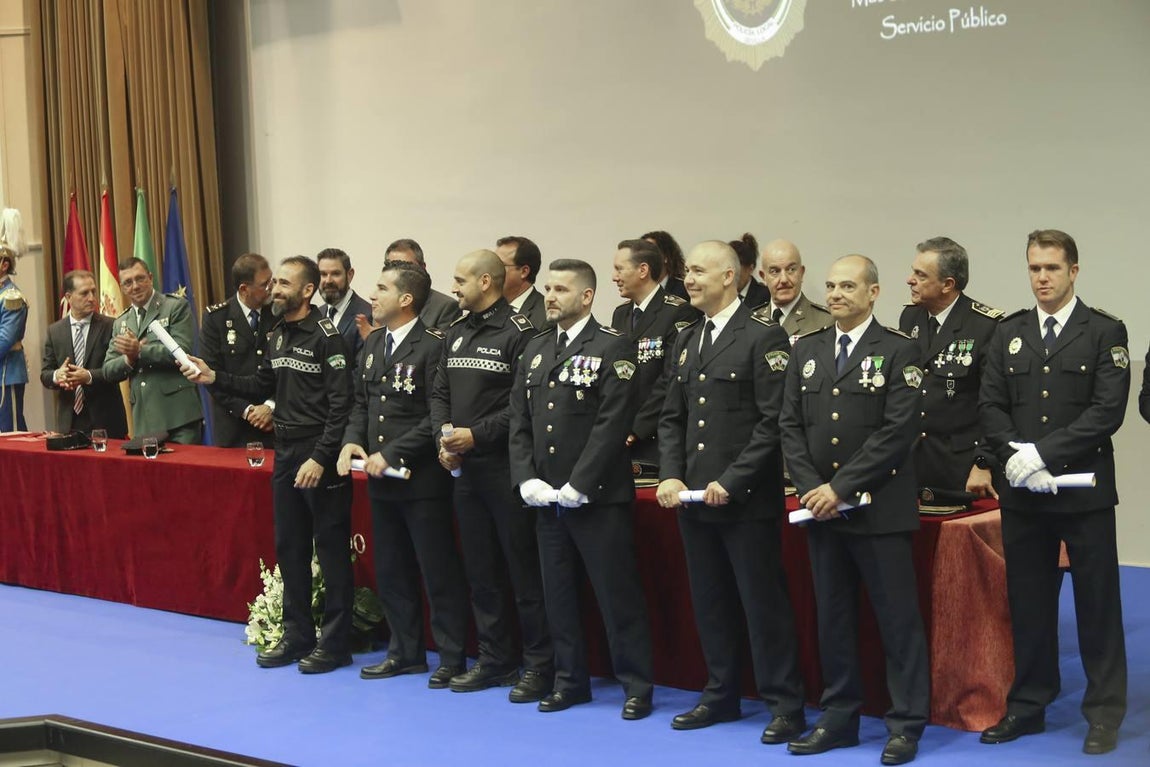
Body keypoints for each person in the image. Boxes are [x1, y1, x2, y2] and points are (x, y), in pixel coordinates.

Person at [978, 229, 1130, 756]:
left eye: (1051, 269)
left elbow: (1106, 412)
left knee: (1097, 606)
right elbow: (991, 405)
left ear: (1074, 271)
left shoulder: (1104, 330)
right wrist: (1015, 459)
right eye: (1034, 269)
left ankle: (1104, 711)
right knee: (1030, 605)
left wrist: (1043, 454)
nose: (1041, 278)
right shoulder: (1009, 332)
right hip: (1024, 495)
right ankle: (1028, 705)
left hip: (1083, 494)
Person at [779, 254, 928, 766]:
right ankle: (839, 717)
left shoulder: (900, 351)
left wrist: (839, 487)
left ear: (874, 293)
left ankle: (906, 722)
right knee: (833, 618)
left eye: (849, 285)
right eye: (831, 285)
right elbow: (789, 425)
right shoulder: (808, 349)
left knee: (896, 622)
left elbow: (897, 432)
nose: (837, 293)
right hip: (821, 511)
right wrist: (810, 486)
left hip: (878, 511)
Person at [656, 241, 805, 744]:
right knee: (711, 601)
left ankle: (785, 702)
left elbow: (773, 423)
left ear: (728, 277)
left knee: (763, 605)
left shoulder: (764, 337)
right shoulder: (686, 339)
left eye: (698, 271)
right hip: (693, 498)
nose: (689, 279)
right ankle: (720, 692)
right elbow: (672, 416)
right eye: (688, 271)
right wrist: (671, 474)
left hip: (744, 502)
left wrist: (732, 480)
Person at [184, 256, 354, 674]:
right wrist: (213, 377)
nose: (275, 289)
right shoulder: (276, 334)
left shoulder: (327, 337)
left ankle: (336, 643)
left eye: (283, 284)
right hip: (285, 451)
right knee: (290, 547)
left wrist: (321, 457)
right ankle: (298, 635)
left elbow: (342, 406)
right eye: (274, 282)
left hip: (320, 454)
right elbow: (260, 385)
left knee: (330, 551)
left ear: (308, 291)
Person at [510, 258, 655, 719]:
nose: (550, 296)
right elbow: (520, 421)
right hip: (547, 498)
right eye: (548, 288)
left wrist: (581, 482)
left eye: (560, 289)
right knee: (559, 595)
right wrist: (525, 476)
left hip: (597, 497)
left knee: (617, 595)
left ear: (587, 296)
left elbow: (613, 424)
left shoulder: (614, 347)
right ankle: (570, 681)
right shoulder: (534, 349)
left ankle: (636, 685)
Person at [429, 249, 553, 701]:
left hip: (507, 470)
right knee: (481, 573)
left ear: (486, 281)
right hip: (465, 471)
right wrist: (444, 437)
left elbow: (523, 409)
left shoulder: (521, 334)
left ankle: (539, 665)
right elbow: (438, 391)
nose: (454, 286)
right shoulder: (455, 333)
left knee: (523, 573)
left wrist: (474, 436)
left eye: (461, 279)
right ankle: (495, 658)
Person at [338, 261, 469, 689]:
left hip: (421, 480)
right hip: (380, 480)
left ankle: (451, 657)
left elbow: (436, 415)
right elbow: (362, 402)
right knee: (391, 570)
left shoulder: (434, 346)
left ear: (406, 299)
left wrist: (391, 451)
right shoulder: (373, 343)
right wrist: (352, 441)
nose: (372, 296)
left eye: (381, 289)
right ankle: (405, 652)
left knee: (437, 571)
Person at [899, 236, 1002, 498]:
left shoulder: (986, 326)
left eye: (920, 275)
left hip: (962, 466)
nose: (910, 279)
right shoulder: (910, 317)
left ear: (947, 284)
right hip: (914, 462)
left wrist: (984, 461)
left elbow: (996, 403)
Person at [610, 238, 697, 471]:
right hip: (620, 435)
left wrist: (636, 428)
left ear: (643, 270)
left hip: (657, 437)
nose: (613, 277)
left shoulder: (679, 313)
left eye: (619, 269)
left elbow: (671, 379)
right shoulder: (620, 315)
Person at [102, 257, 203, 443]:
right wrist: (129, 359)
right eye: (128, 283)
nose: (135, 286)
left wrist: (140, 352)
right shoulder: (121, 323)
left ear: (150, 278)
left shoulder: (174, 307)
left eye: (140, 279)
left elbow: (183, 351)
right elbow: (108, 370)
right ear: (123, 288)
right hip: (145, 421)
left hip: (179, 417)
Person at [200, 253, 276, 447]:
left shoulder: (279, 314)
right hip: (233, 427)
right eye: (264, 284)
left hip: (274, 424)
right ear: (244, 289)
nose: (272, 288)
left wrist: (270, 406)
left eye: (272, 281)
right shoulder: (216, 318)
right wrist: (248, 410)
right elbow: (211, 376)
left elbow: (288, 372)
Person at [39, 270, 127, 438]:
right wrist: (59, 375)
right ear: (69, 297)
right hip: (69, 423)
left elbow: (119, 371)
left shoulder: (111, 326)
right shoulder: (55, 331)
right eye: (84, 293)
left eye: (93, 291)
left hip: (106, 420)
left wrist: (87, 376)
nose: (92, 298)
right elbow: (45, 374)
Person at [753, 239, 833, 341]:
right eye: (775, 271)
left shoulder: (826, 321)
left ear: (801, 273)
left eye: (791, 269)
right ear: (763, 277)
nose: (784, 279)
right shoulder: (751, 320)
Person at [385, 239, 463, 330]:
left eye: (407, 266)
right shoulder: (382, 303)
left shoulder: (445, 307)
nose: (400, 272)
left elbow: (441, 344)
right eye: (393, 266)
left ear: (423, 268)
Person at [316, 248, 372, 364]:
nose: (328, 280)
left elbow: (361, 370)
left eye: (335, 274)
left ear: (350, 275)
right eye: (323, 274)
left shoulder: (368, 315)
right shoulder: (316, 315)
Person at [0, 244, 28, 431]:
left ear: (4, 264)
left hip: (6, 373)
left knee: (10, 432)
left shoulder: (11, 296)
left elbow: (5, 339)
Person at [495, 235, 547, 328]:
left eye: (499, 265)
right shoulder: (487, 308)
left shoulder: (546, 316)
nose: (491, 272)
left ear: (524, 271)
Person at [642, 230, 689, 301]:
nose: (644, 258)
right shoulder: (638, 291)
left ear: (665, 257)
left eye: (650, 252)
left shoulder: (685, 290)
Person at [730, 232, 771, 306]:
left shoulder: (766, 296)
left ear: (750, 268)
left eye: (736, 268)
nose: (730, 276)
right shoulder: (719, 296)